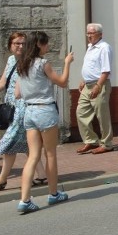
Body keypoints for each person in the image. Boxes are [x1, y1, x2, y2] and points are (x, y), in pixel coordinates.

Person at [0, 32, 46, 194]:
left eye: (23, 43)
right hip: (12, 105)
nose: (20, 46)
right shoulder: (10, 60)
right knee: (30, 143)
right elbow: (3, 82)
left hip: (24, 107)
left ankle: (1, 180)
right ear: (10, 45)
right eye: (16, 43)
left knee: (9, 143)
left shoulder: (29, 61)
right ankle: (42, 176)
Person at [14, 32, 75, 214]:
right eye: (46, 43)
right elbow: (62, 83)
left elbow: (18, 93)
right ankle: (53, 193)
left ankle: (24, 200)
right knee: (50, 154)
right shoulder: (43, 63)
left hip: (29, 110)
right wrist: (67, 63)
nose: (48, 46)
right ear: (39, 44)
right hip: (45, 109)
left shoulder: (22, 65)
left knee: (33, 156)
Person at [75, 23, 114, 154]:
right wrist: (83, 80)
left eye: (92, 33)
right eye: (88, 33)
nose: (89, 36)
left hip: (99, 85)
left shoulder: (104, 48)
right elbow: (91, 67)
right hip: (87, 85)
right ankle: (91, 141)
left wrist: (98, 86)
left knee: (102, 115)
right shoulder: (90, 47)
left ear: (100, 34)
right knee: (81, 112)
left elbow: (105, 70)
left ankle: (107, 144)